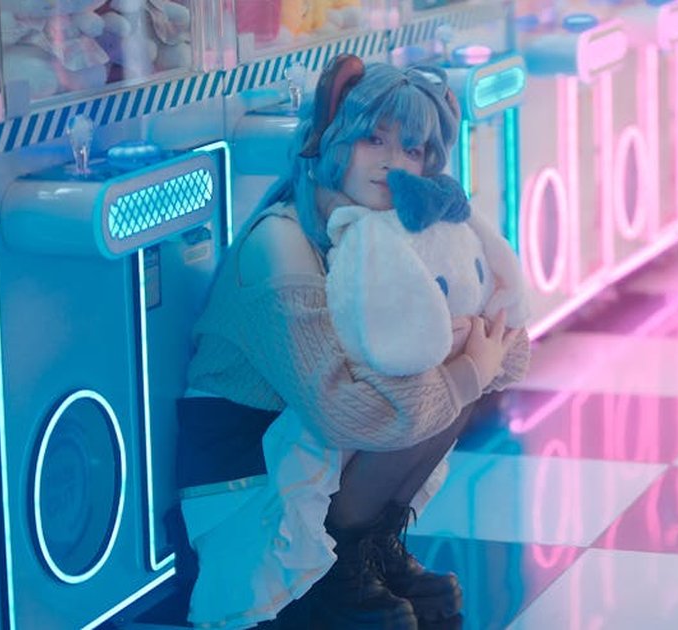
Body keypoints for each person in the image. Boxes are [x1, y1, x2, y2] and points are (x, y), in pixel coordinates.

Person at [173, 55, 531, 630]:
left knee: (441, 372)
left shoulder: (382, 229)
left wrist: (472, 353)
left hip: (307, 439)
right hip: (249, 469)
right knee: (441, 379)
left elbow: (511, 344)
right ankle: (332, 573)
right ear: (336, 137)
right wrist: (469, 367)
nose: (394, 164)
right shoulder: (282, 243)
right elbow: (350, 415)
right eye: (374, 139)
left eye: (413, 149)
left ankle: (365, 549)